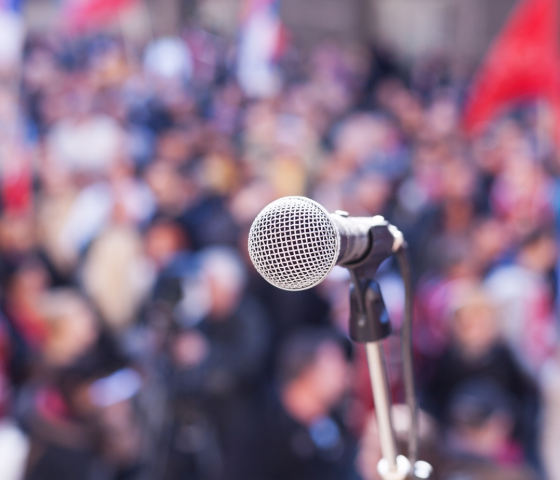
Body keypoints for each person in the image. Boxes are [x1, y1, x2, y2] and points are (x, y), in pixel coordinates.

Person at [248, 328, 361, 480]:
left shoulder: (337, 421)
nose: (345, 372)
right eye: (335, 365)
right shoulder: (262, 431)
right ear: (307, 373)